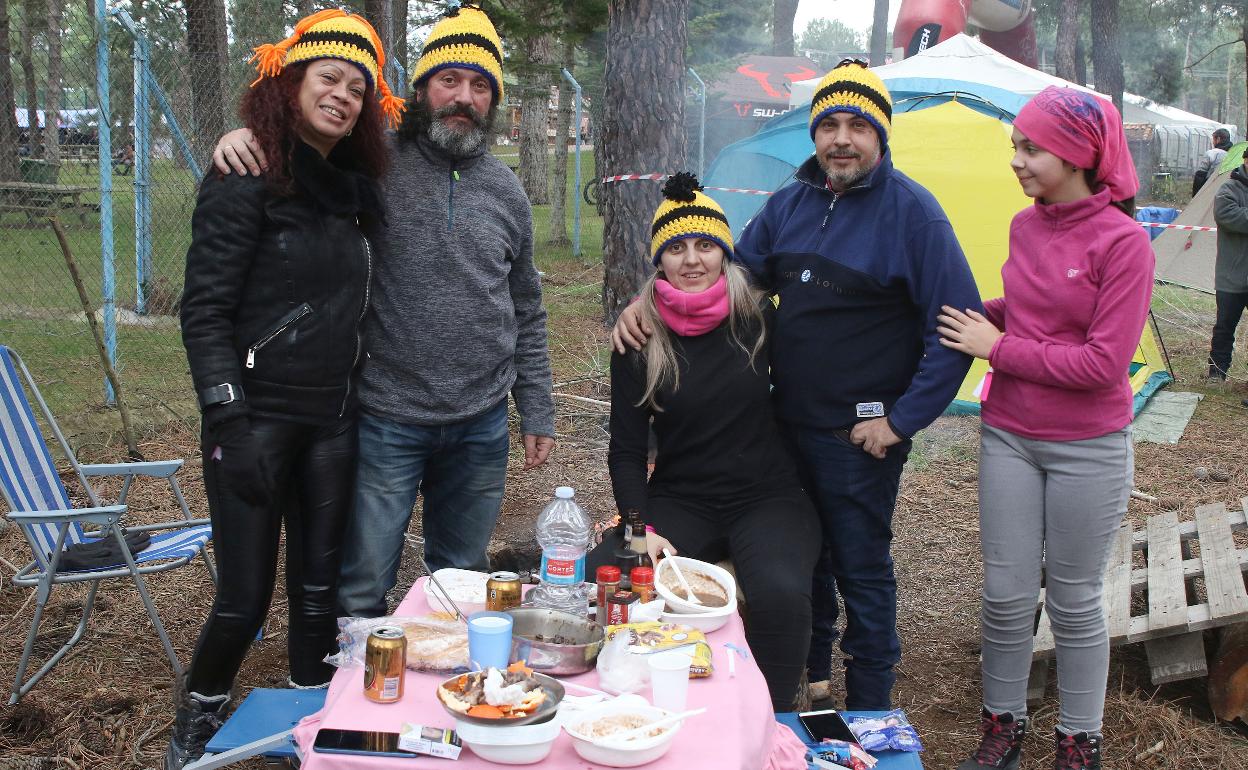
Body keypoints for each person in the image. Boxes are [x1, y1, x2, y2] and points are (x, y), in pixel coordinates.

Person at [613, 61, 981, 710]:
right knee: (807, 560)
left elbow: (953, 331)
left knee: (861, 569)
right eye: (829, 124)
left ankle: (869, 704)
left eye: (857, 125)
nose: (842, 138)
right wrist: (652, 301)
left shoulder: (915, 216)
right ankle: (810, 679)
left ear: (881, 133)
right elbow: (736, 277)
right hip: (785, 427)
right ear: (814, 134)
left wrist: (900, 422)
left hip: (859, 434)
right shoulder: (790, 203)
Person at [212, 5, 557, 619]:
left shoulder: (508, 192)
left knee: (459, 582)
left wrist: (538, 406)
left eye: (481, 86)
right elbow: (298, 146)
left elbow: (526, 307)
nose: (464, 97)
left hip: (481, 423)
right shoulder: (371, 165)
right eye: (449, 80)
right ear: (421, 90)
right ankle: (353, 699)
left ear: (494, 102)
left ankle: (450, 702)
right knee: (362, 583)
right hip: (385, 416)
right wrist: (245, 136)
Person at [170, 10, 400, 769]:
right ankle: (195, 726)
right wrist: (226, 418)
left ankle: (308, 724)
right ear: (290, 82)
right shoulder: (246, 172)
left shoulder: (357, 191)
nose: (342, 95)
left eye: (358, 88)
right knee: (241, 601)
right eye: (328, 78)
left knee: (317, 593)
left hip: (333, 423)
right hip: (256, 422)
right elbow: (203, 309)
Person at [937, 85, 1153, 770]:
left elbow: (1100, 363)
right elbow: (1029, 307)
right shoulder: (1025, 226)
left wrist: (991, 346)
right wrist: (977, 313)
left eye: (1030, 148)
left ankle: (1077, 740)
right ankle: (1003, 724)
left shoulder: (1124, 244)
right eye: (1016, 147)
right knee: (1004, 594)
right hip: (1009, 433)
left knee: (1074, 599)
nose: (1018, 162)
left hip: (1088, 447)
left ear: (1078, 152)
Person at [590, 172, 820, 712]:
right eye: (675, 248)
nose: (692, 260)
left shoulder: (757, 318)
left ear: (724, 254)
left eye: (705, 245)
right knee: (610, 573)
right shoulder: (639, 338)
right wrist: (638, 525)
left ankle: (774, 720)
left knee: (780, 593)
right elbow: (625, 449)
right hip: (681, 497)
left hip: (766, 495)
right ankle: (636, 699)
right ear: (659, 260)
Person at [1208, 153, 1248, 388]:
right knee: (1224, 326)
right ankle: (1217, 373)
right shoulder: (1229, 189)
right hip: (1231, 275)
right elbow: (1225, 215)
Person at [1192, 127, 1232, 197]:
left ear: (1218, 139)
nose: (1213, 142)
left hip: (1209, 190)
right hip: (1226, 191)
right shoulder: (1232, 154)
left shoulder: (1212, 153)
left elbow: (1200, 175)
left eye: (1213, 139)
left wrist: (1195, 195)